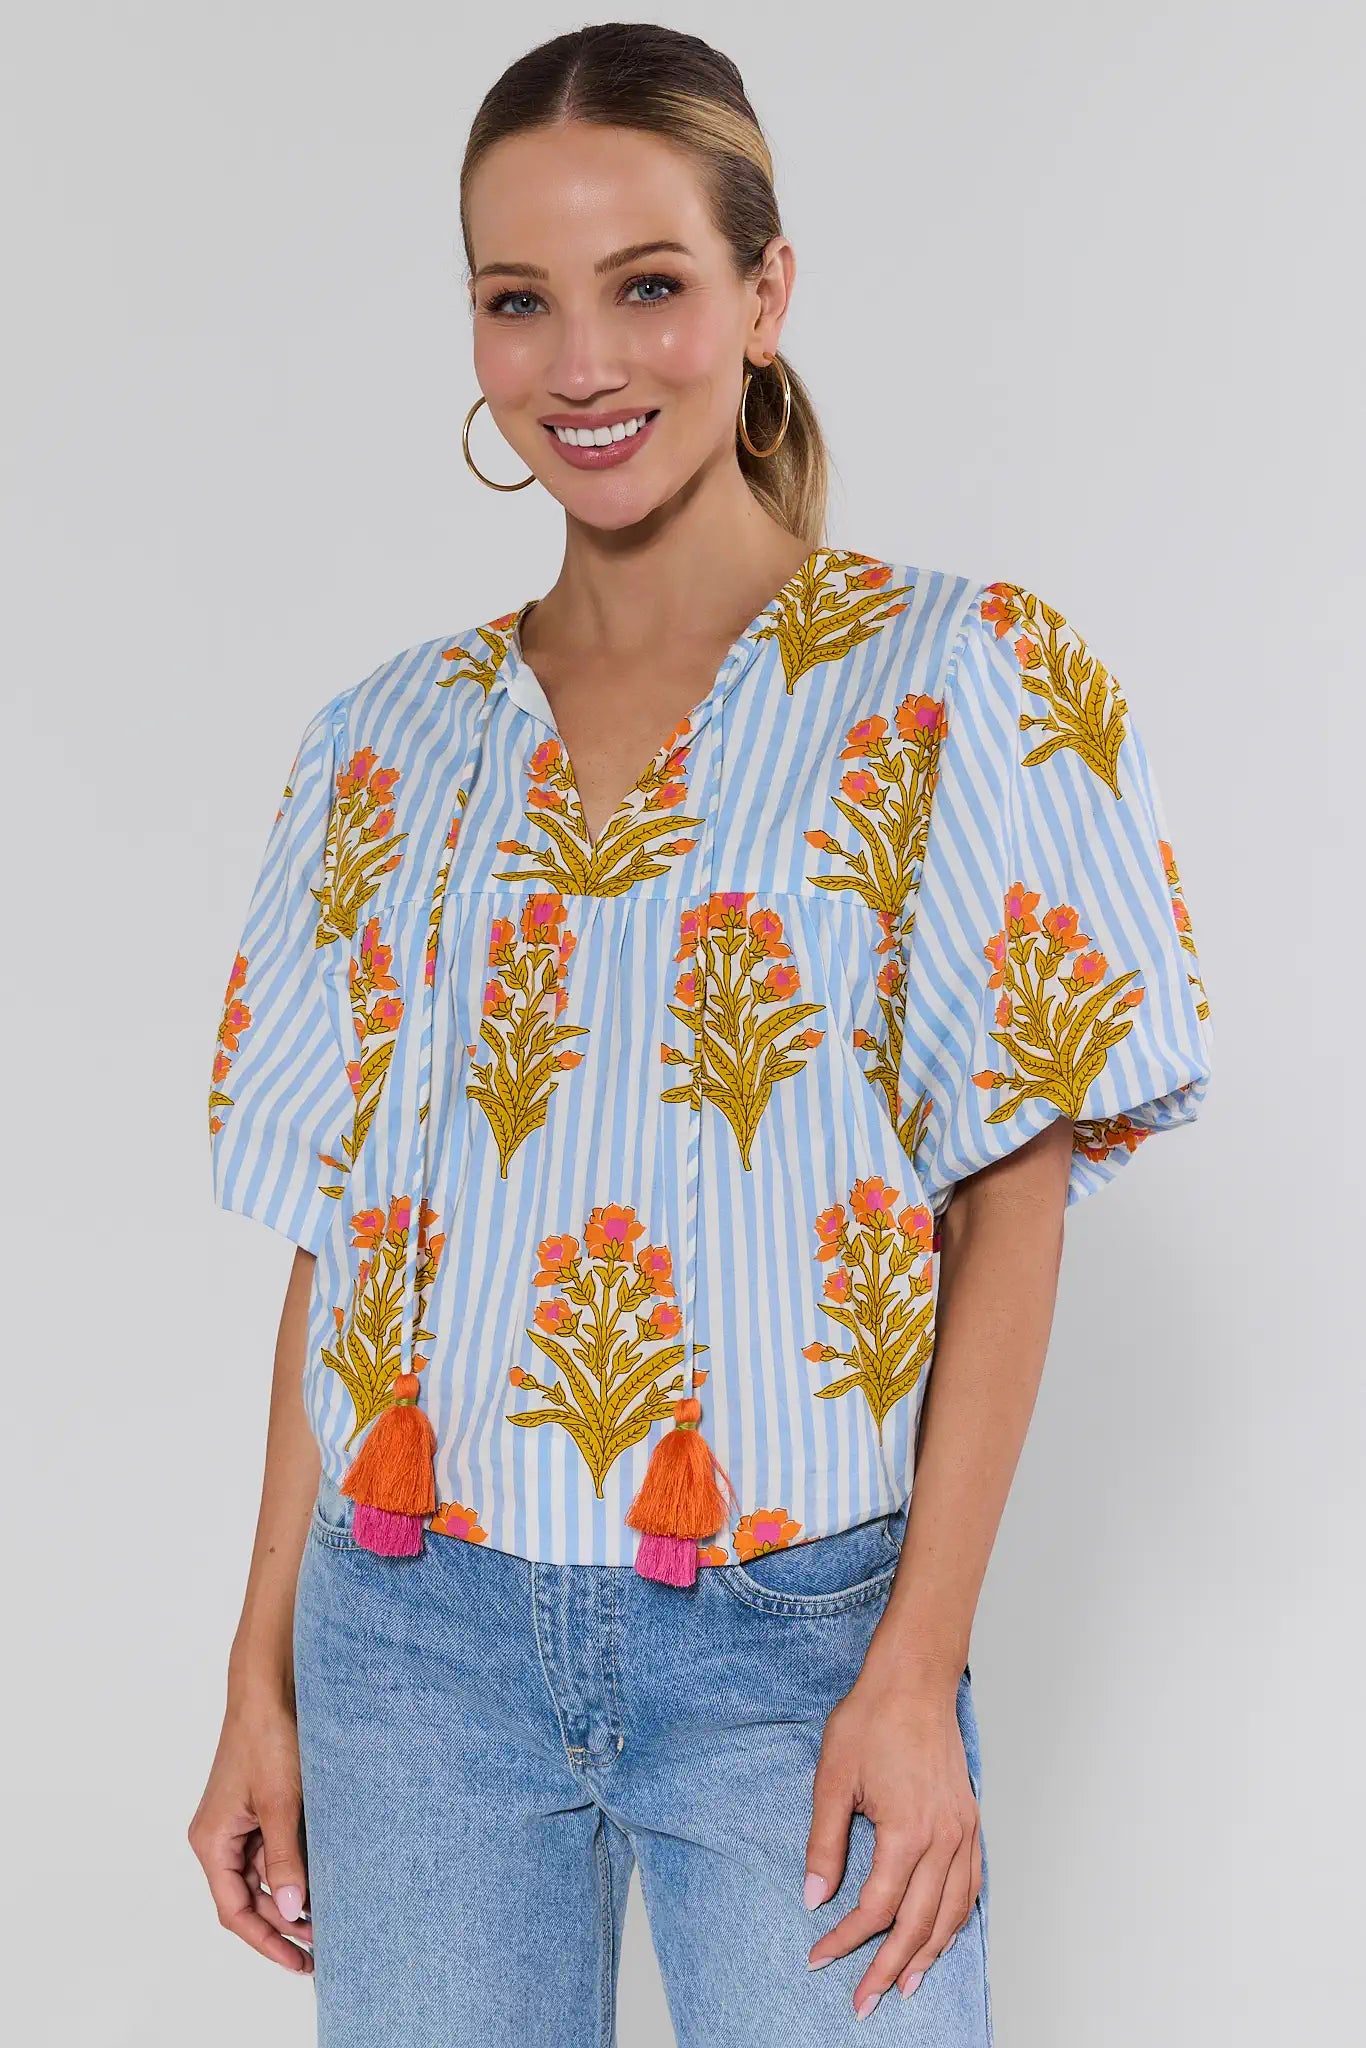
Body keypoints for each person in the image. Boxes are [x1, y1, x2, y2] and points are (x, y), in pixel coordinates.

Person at [188, 22, 1214, 2045]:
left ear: (762, 292)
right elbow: (345, 1236)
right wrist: (259, 1676)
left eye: (646, 283)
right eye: (518, 300)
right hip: (409, 1642)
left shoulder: (957, 681)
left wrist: (912, 1668)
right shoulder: (378, 746)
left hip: (797, 1640)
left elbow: (1016, 1190)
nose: (583, 363)